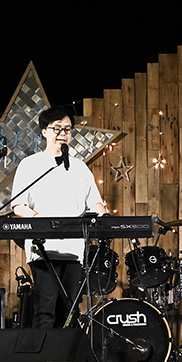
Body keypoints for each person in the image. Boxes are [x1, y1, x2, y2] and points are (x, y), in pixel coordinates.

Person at [9, 106, 107, 329]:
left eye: (68, 129)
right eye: (57, 128)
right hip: (43, 249)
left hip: (73, 250)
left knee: (70, 310)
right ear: (44, 131)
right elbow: (18, 206)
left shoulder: (80, 168)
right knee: (46, 309)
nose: (63, 133)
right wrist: (39, 218)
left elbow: (95, 202)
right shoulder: (30, 165)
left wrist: (106, 217)